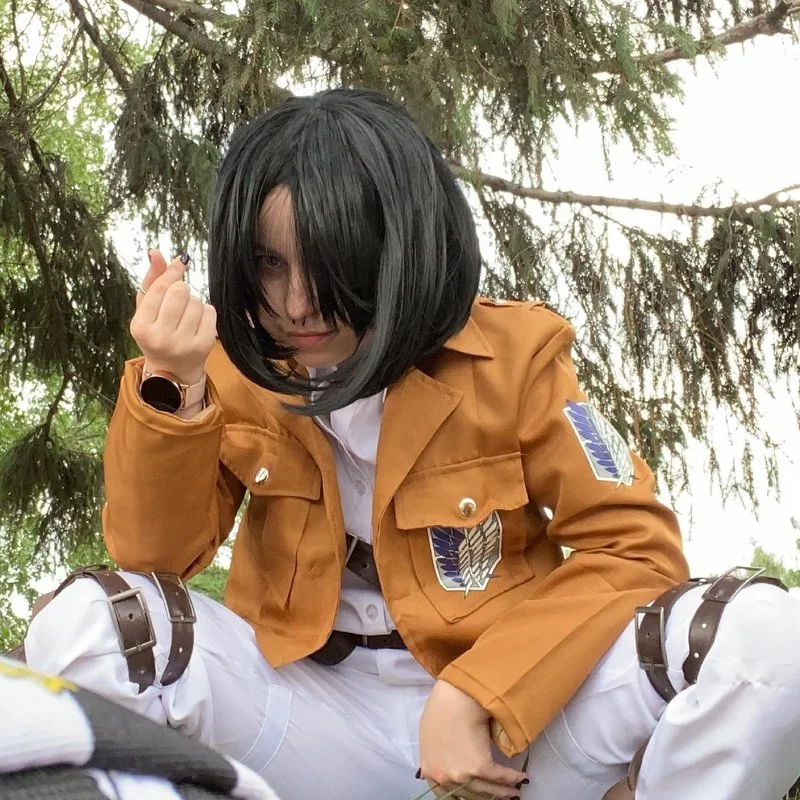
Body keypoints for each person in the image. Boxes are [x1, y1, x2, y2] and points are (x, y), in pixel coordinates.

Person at [22, 88, 800, 800]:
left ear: (402, 245)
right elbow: (152, 555)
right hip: (307, 725)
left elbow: (636, 552)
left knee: (764, 638)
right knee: (92, 622)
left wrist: (477, 692)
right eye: (269, 263)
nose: (296, 303)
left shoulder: (517, 356)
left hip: (508, 735)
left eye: (330, 261)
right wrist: (173, 381)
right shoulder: (227, 367)